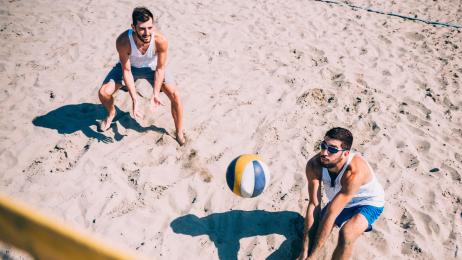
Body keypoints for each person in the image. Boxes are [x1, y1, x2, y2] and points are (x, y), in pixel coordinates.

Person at [98, 7, 185, 145]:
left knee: (175, 95)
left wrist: (155, 93)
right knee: (103, 93)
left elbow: (160, 68)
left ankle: (179, 131)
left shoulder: (160, 41)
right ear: (133, 27)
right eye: (142, 28)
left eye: (150, 28)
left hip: (152, 69)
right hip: (130, 68)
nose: (147, 33)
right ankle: (111, 113)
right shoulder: (123, 41)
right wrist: (134, 99)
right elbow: (126, 71)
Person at [299, 127, 385, 260]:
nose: (324, 152)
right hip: (340, 200)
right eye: (323, 145)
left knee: (346, 234)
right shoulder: (314, 165)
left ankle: (361, 223)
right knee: (317, 230)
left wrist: (313, 257)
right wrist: (304, 252)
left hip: (367, 202)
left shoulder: (353, 172)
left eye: (332, 149)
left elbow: (332, 214)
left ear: (345, 154)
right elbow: (314, 204)